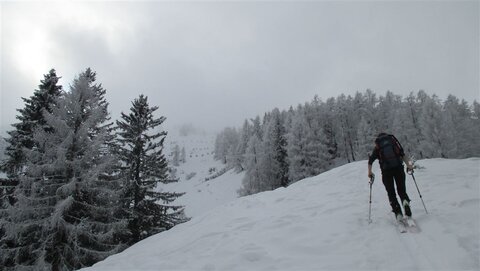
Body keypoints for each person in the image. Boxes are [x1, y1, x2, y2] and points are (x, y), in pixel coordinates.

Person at [367, 132, 414, 221]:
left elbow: (370, 161)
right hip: (399, 169)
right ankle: (405, 201)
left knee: (391, 193)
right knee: (401, 190)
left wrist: (369, 172)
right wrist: (409, 165)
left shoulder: (378, 147)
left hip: (386, 172)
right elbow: (403, 155)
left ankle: (398, 213)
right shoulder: (394, 143)